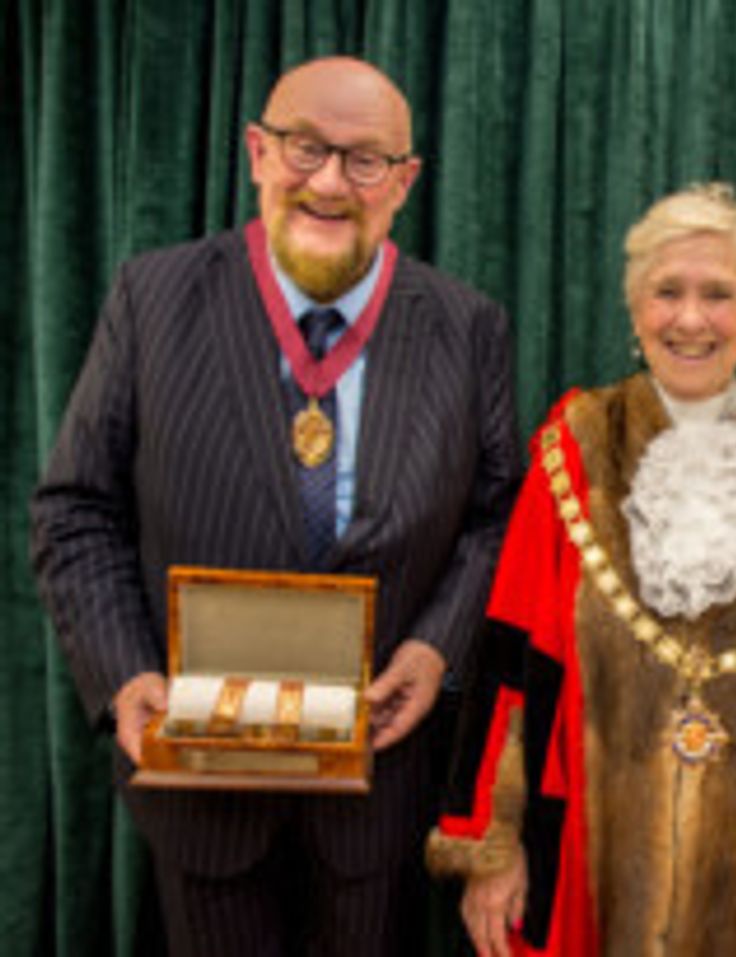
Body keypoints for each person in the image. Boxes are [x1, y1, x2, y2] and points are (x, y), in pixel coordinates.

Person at [30, 56, 522, 956]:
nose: (329, 183)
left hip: (380, 777)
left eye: (365, 160)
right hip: (200, 777)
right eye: (305, 148)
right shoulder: (153, 298)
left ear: (405, 181)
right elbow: (76, 510)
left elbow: (498, 518)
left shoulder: (467, 326)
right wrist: (127, 675)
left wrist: (435, 648)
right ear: (258, 151)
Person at [425, 183, 736, 956]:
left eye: (718, 294)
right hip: (589, 850)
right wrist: (495, 842)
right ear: (634, 309)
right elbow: (512, 660)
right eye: (667, 292)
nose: (690, 319)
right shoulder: (573, 449)